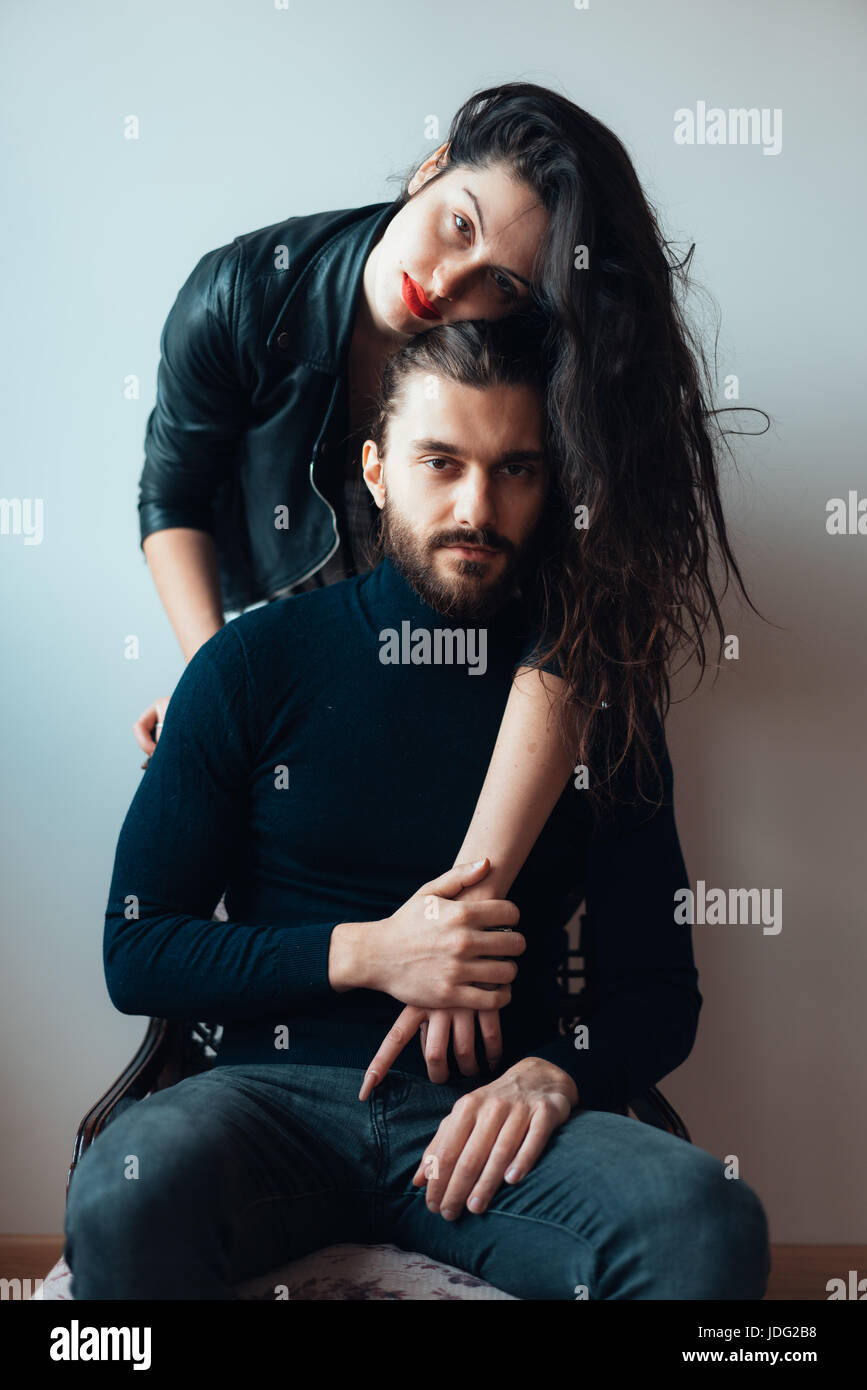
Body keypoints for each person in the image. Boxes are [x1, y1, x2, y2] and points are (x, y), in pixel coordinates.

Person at [64, 319, 770, 1300]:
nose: (476, 507)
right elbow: (137, 952)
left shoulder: (594, 695)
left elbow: (658, 989)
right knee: (122, 1197)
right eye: (441, 462)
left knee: (703, 1220)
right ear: (376, 469)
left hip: (493, 1128)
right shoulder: (253, 663)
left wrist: (557, 1075)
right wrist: (374, 950)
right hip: (267, 1103)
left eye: (516, 470)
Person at [131, 81, 759, 1092]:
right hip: (296, 644)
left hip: (476, 651)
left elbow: (577, 627)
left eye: (502, 285)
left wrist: (454, 931)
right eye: (455, 224)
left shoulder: (531, 367)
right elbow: (172, 497)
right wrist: (216, 686)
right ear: (429, 169)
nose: (452, 281)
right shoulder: (245, 292)